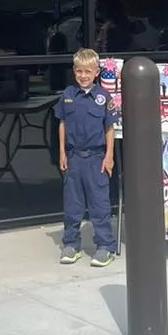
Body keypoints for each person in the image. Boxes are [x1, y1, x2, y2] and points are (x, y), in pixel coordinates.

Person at [55, 48, 117, 267]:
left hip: (95, 158)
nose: (83, 75)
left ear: (96, 72)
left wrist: (109, 156)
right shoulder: (68, 96)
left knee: (99, 205)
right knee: (72, 205)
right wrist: (62, 152)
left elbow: (109, 128)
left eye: (88, 71)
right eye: (79, 71)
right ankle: (71, 245)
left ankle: (105, 246)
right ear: (74, 71)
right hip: (73, 158)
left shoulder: (103, 97)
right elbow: (62, 124)